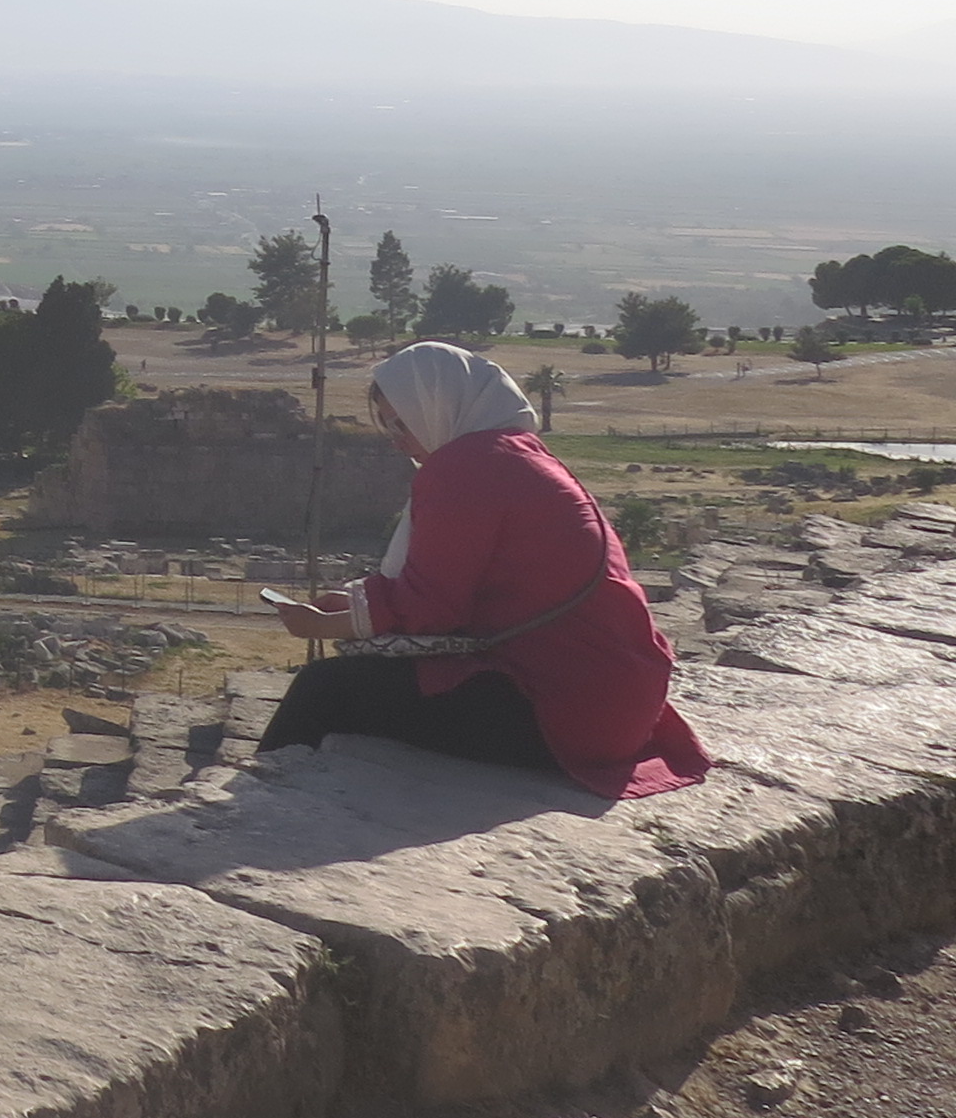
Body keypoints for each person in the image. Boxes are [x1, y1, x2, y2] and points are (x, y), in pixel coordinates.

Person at [262, 339, 708, 799]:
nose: (395, 438)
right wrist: (355, 603)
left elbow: (432, 607)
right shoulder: (514, 453)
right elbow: (458, 583)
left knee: (326, 687)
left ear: (437, 408)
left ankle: (261, 809)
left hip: (567, 710)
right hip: (616, 702)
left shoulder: (464, 467)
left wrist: (326, 625)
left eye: (401, 421)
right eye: (387, 424)